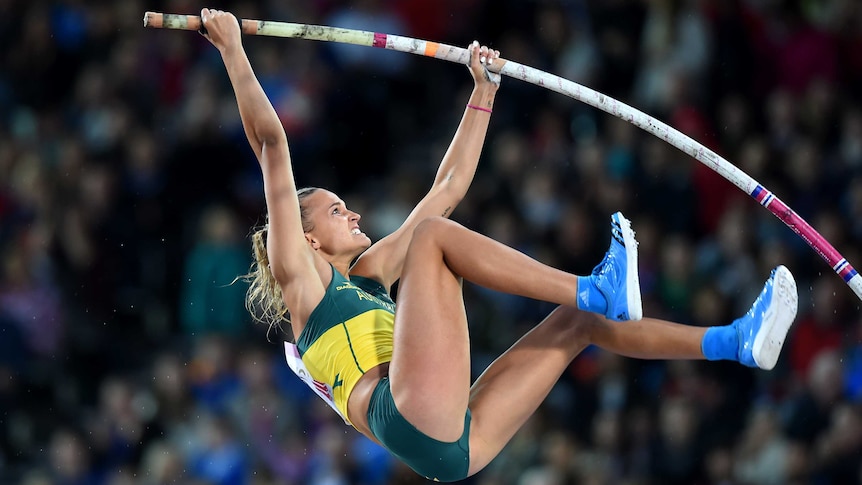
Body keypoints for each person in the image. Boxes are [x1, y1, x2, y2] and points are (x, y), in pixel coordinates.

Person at [198, 8, 800, 482]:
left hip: (455, 444)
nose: (352, 211)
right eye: (335, 210)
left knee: (576, 325)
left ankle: (737, 343)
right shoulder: (302, 284)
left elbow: (448, 189)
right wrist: (233, 50)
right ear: (304, 237)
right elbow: (273, 144)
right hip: (409, 417)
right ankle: (597, 287)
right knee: (437, 243)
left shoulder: (369, 274)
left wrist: (482, 91)